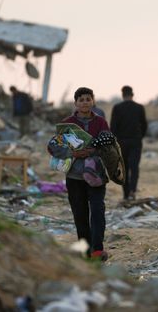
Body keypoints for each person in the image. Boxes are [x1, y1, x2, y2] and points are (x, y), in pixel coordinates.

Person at [61, 87, 110, 261]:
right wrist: (74, 153)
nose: (84, 102)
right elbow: (57, 148)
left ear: (93, 101)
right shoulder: (67, 124)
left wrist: (92, 150)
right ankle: (85, 250)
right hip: (74, 176)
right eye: (81, 99)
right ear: (75, 103)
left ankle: (97, 250)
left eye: (88, 99)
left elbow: (109, 144)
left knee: (97, 212)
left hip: (96, 176)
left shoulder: (101, 123)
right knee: (80, 214)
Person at [110, 85, 147, 201]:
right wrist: (140, 137)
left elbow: (113, 127)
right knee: (134, 167)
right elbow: (144, 125)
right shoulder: (139, 107)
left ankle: (126, 194)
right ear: (132, 94)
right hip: (135, 141)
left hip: (121, 142)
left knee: (124, 168)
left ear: (122, 95)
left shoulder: (117, 108)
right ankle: (132, 190)